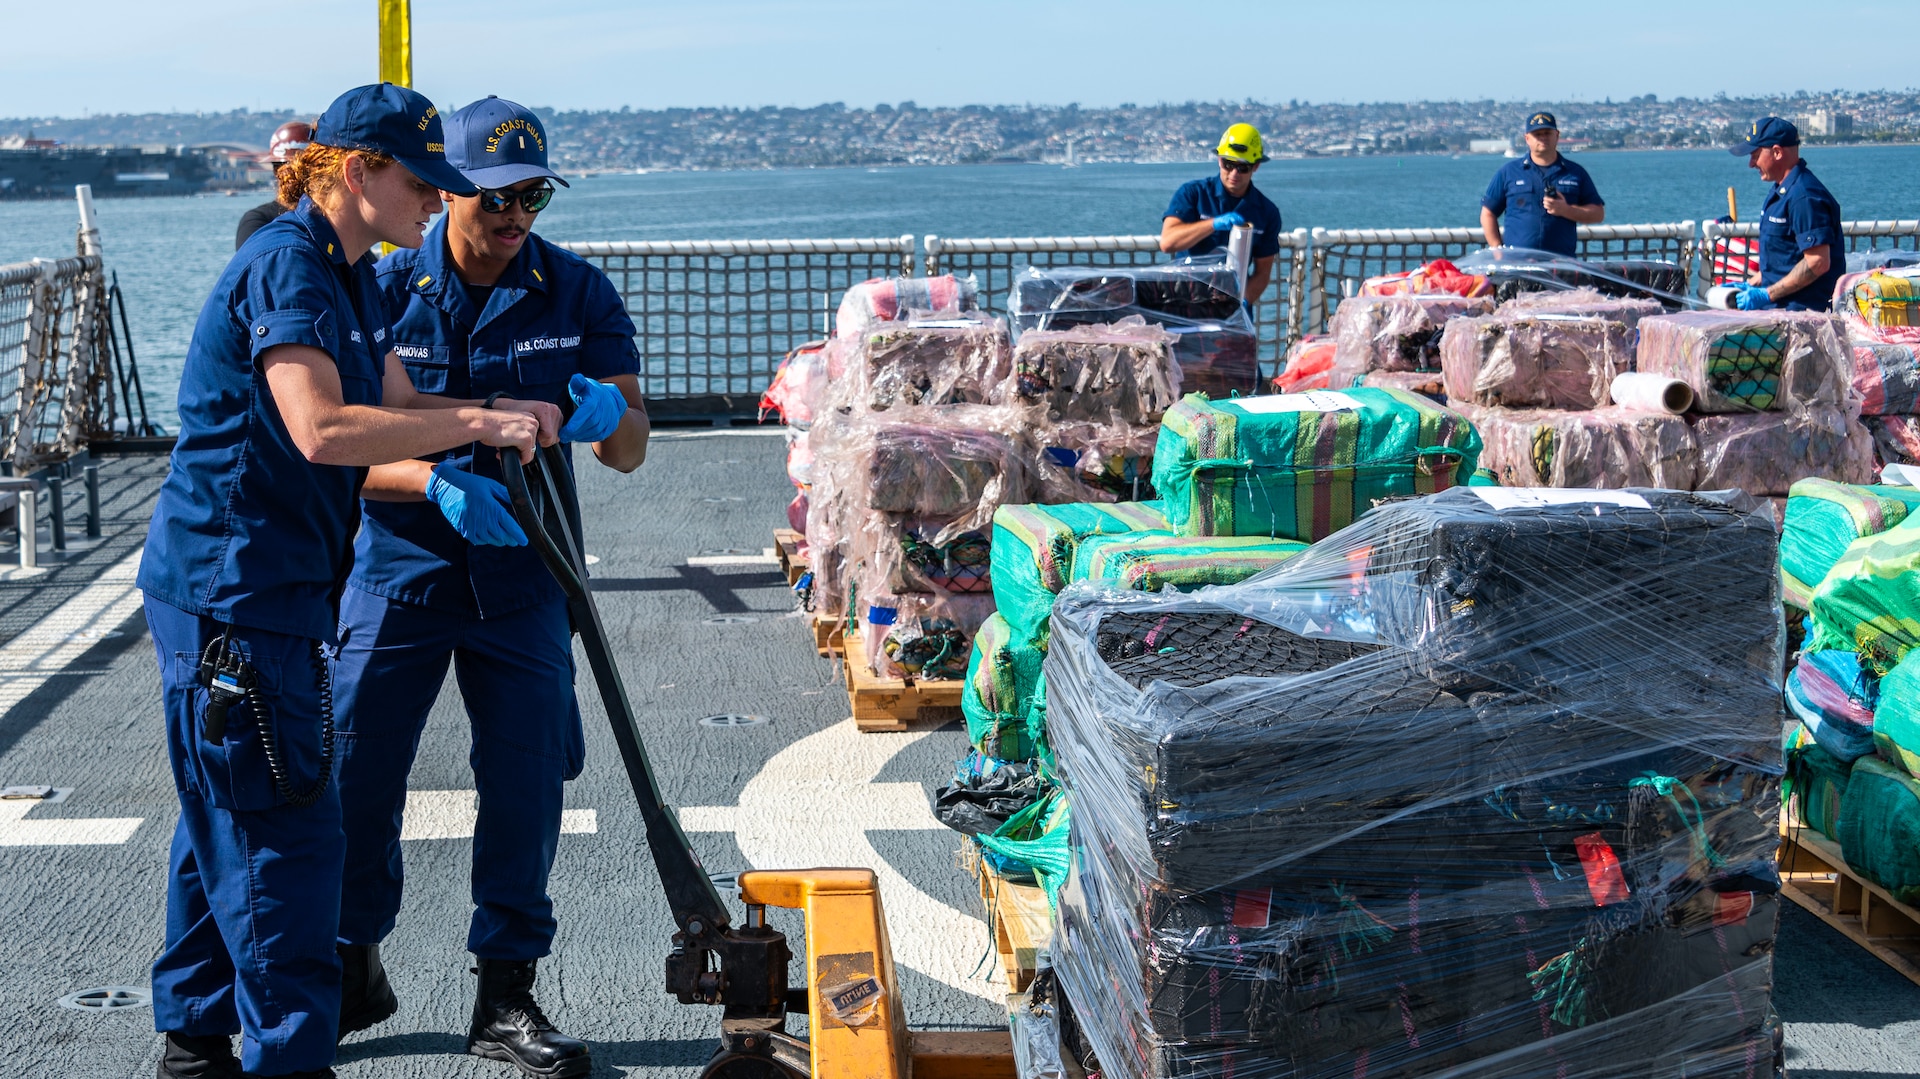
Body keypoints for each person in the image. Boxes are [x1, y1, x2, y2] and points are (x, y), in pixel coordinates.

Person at [140, 83, 556, 1079]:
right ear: (358, 171)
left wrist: (498, 408)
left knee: (223, 812)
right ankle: (291, 1058)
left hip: (260, 589)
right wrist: (472, 429)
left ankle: (193, 1039)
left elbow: (398, 397)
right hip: (239, 594)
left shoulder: (356, 275)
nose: (435, 204)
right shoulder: (287, 265)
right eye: (422, 183)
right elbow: (321, 427)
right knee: (287, 834)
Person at [330, 96, 648, 1079]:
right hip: (401, 574)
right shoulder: (379, 289)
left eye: (535, 197)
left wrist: (602, 410)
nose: (516, 218)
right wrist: (432, 476)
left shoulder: (578, 291)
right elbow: (334, 448)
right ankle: (350, 959)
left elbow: (632, 446)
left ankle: (506, 993)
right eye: (498, 198)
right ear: (451, 189)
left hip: (526, 578)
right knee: (354, 775)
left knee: (522, 791)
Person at [1159, 123, 1284, 305]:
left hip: (1231, 300)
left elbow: (1262, 272)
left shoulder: (1267, 212)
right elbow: (1168, 242)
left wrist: (1240, 302)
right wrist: (1212, 224)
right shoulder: (1192, 194)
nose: (1234, 173)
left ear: (1255, 167)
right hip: (1185, 296)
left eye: (1242, 168)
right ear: (1219, 160)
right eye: (1228, 164)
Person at [1728, 117, 1844, 311]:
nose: (1751, 163)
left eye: (1755, 155)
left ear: (1777, 152)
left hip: (1801, 315)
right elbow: (1786, 259)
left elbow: (1818, 262)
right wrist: (1753, 284)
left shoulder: (1804, 197)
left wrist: (1767, 294)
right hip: (1779, 310)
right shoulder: (1781, 191)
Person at [1479, 111, 1605, 257]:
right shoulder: (1509, 172)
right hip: (1518, 265)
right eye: (1537, 134)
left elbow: (1597, 214)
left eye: (1547, 133)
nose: (1543, 138)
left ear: (1557, 135)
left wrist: (1566, 210)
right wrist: (1497, 251)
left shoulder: (1575, 173)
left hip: (1561, 266)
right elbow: (1488, 213)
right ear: (1527, 138)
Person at [236, 121, 313, 249]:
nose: (290, 175)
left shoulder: (256, 222)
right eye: (282, 167)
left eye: (299, 168)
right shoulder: (257, 221)